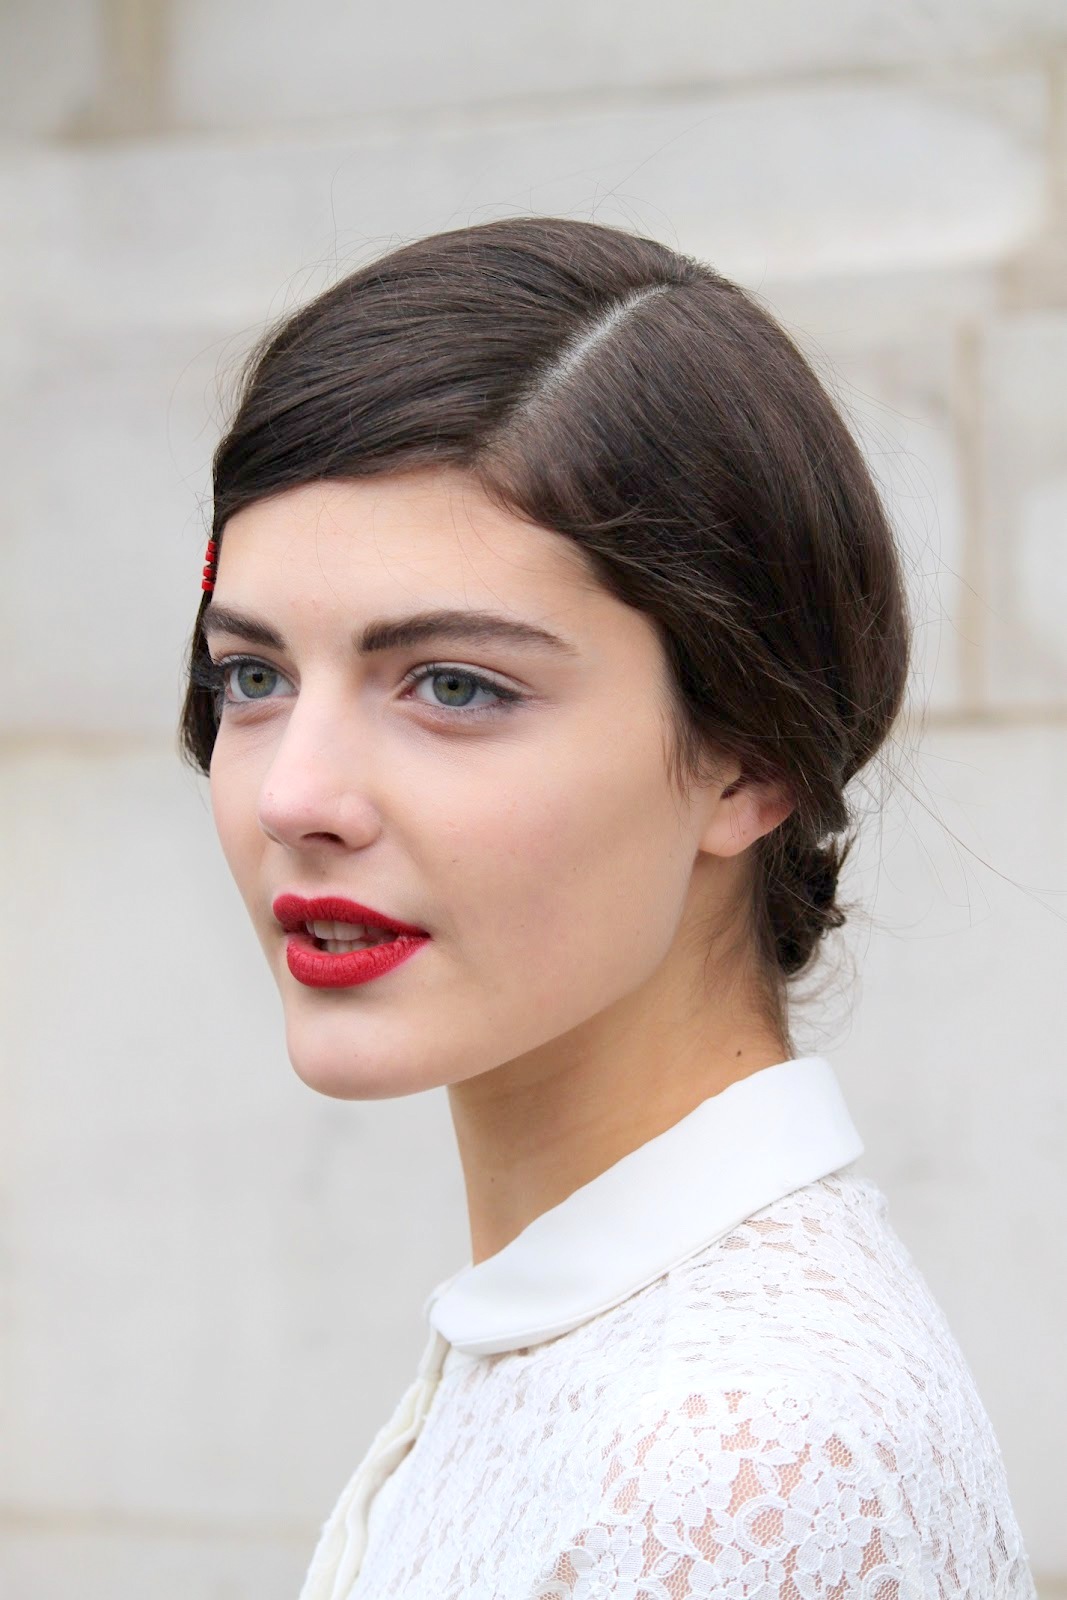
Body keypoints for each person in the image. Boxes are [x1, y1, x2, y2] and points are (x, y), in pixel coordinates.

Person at [179, 217, 1036, 1599]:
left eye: (455, 685)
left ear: (749, 759)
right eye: (253, 677)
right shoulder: (591, 1344)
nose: (295, 796)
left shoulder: (735, 1468)